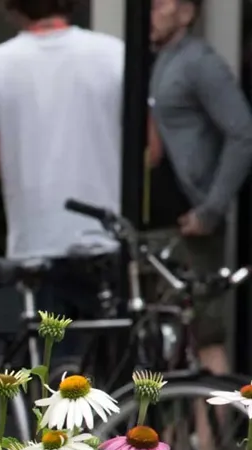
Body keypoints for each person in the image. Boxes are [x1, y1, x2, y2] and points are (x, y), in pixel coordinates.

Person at [0, 0, 124, 261]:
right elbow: (149, 150)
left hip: (35, 250)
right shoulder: (115, 53)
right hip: (106, 242)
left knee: (42, 305)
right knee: (106, 302)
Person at [147, 0, 252, 382]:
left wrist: (211, 208)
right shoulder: (156, 61)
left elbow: (243, 133)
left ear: (187, 13)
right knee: (170, 347)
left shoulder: (200, 62)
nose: (151, 12)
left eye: (161, 4)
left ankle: (216, 442)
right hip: (157, 225)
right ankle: (181, 440)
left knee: (206, 337)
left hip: (191, 222)